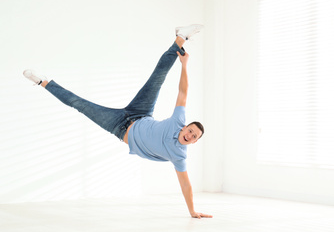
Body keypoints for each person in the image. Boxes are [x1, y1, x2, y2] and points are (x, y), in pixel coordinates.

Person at [23, 24, 212, 219]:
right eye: (190, 130)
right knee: (158, 77)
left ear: (195, 141)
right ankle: (181, 38)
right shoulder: (178, 121)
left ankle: (43, 82)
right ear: (185, 127)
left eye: (193, 136)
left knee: (79, 104)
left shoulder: (179, 155)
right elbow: (183, 91)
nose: (189, 135)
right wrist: (184, 65)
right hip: (141, 112)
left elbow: (185, 185)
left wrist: (192, 211)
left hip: (118, 126)